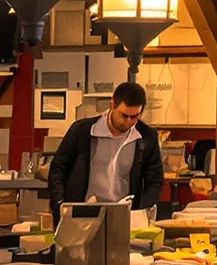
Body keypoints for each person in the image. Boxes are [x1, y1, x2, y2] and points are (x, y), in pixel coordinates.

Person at [48, 81, 164, 217]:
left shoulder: (147, 137)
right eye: (124, 115)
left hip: (125, 214)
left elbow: (155, 180)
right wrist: (59, 203)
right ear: (112, 105)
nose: (128, 121)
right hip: (82, 213)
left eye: (134, 117)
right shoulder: (82, 131)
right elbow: (58, 169)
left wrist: (142, 211)